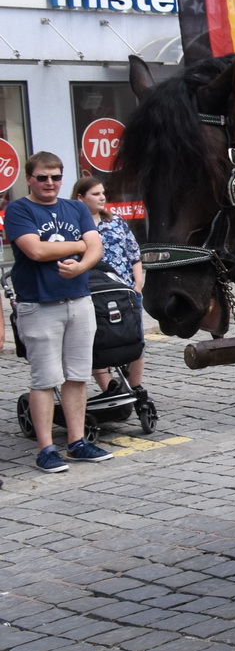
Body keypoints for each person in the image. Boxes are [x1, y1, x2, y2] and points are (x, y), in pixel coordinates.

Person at [5, 152, 113, 473]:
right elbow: (35, 249)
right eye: (42, 177)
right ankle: (46, 448)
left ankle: (77, 442)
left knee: (78, 375)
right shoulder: (19, 209)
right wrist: (79, 245)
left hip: (79, 300)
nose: (50, 183)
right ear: (29, 179)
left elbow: (97, 246)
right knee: (44, 379)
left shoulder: (76, 207)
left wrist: (81, 263)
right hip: (38, 304)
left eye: (55, 177)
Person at [73, 176, 147, 398]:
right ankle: (110, 388)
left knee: (135, 337)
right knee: (98, 340)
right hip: (93, 292)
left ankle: (135, 386)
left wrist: (138, 283)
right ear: (80, 198)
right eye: (95, 194)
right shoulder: (74, 226)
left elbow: (133, 253)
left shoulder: (115, 221)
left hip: (124, 290)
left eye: (103, 192)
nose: (102, 197)